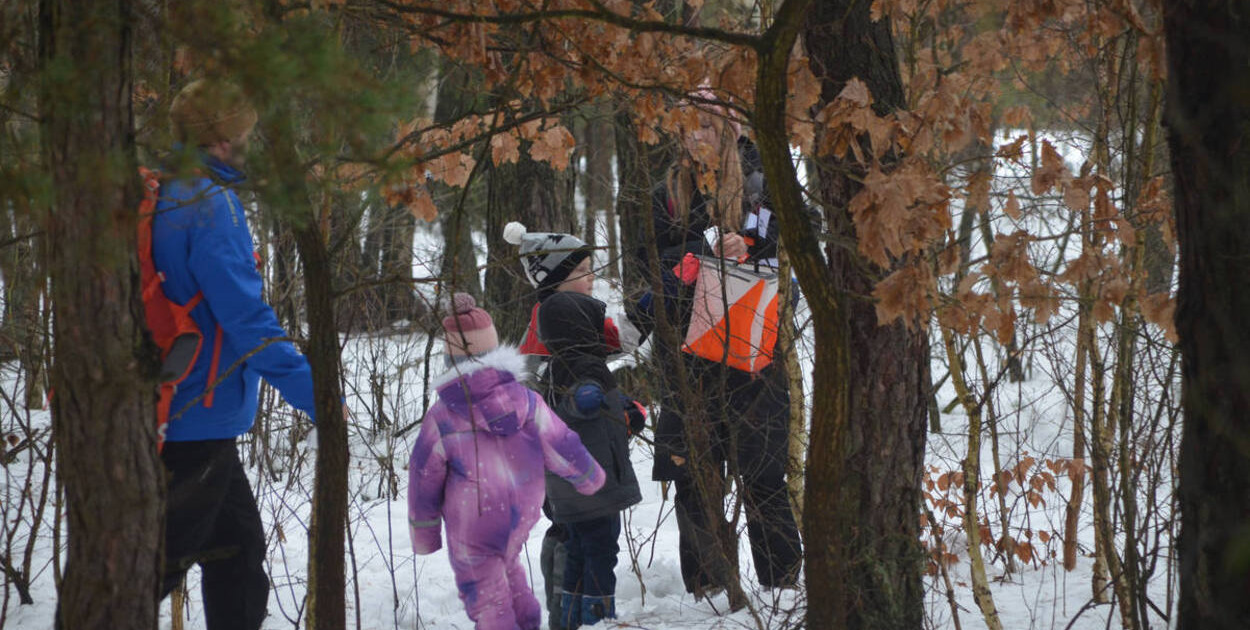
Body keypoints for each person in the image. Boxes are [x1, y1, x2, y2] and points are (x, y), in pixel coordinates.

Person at [154, 79, 318, 629]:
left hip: (183, 406)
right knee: (151, 568)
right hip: (195, 414)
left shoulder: (166, 190)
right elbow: (246, 318)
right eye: (244, 132)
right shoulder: (208, 203)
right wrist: (316, 393)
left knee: (238, 553)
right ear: (222, 138)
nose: (250, 142)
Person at [632, 103, 802, 601]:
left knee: (764, 473)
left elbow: (790, 248)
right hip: (688, 357)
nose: (696, 135)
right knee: (694, 478)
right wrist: (694, 258)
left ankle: (782, 587)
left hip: (755, 353)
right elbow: (648, 266)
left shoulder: (763, 182)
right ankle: (707, 588)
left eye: (707, 124)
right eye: (688, 126)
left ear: (731, 130)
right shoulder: (667, 193)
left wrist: (748, 249)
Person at [408, 292, 606, 630]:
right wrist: (588, 476)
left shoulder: (443, 416)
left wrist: (424, 533)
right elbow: (561, 442)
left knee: (488, 600)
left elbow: (423, 474)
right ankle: (527, 622)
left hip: (473, 523)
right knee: (509, 572)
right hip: (519, 516)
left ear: (449, 359)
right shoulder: (527, 401)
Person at [505, 222, 644, 628]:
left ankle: (568, 617)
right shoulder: (555, 323)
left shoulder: (566, 317)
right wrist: (610, 409)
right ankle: (570, 620)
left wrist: (618, 407)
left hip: (569, 460)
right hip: (563, 463)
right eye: (582, 271)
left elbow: (607, 352)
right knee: (576, 538)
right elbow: (567, 391)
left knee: (576, 536)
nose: (592, 278)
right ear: (557, 280)